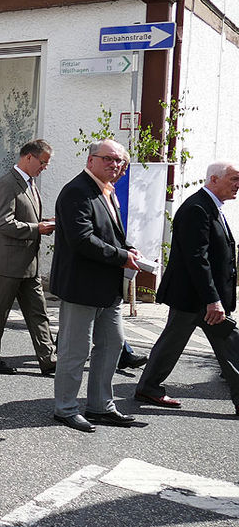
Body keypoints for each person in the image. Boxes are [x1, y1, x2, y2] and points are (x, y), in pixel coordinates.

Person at [49, 139, 143, 432]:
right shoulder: (77, 191)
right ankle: (65, 409)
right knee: (74, 351)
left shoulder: (107, 191)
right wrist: (122, 256)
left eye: (118, 161)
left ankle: (101, 406)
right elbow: (81, 240)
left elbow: (111, 234)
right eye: (108, 159)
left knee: (112, 344)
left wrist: (128, 249)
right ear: (91, 160)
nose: (114, 165)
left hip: (107, 288)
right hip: (82, 287)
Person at [135, 160, 239, 417]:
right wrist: (213, 300)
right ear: (213, 179)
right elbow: (197, 258)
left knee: (181, 341)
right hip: (197, 297)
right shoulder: (197, 208)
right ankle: (148, 386)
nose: (238, 185)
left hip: (201, 297)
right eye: (234, 179)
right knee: (228, 343)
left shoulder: (211, 207)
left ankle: (148, 386)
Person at [0, 139, 57, 376]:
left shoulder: (30, 183)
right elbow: (3, 222)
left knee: (38, 312)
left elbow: (27, 216)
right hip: (7, 263)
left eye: (46, 164)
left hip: (28, 264)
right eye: (42, 162)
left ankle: (49, 359)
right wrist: (37, 228)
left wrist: (45, 223)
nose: (44, 167)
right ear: (28, 158)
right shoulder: (7, 184)